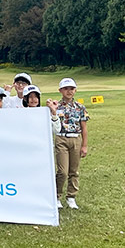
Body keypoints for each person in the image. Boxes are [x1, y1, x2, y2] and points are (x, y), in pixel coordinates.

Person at [51, 78, 89, 209]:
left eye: (71, 89)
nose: (69, 91)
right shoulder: (56, 106)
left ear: (75, 90)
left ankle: (71, 196)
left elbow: (84, 127)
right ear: (60, 90)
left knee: (74, 170)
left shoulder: (80, 107)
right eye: (66, 88)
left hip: (75, 139)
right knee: (62, 171)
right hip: (61, 138)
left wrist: (84, 145)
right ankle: (56, 196)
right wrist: (52, 109)